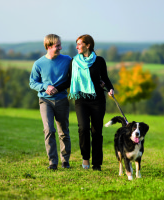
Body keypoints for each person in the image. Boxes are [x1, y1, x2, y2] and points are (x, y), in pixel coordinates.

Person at [63, 34, 114, 171]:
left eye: (79, 44)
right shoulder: (74, 61)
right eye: (77, 44)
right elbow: (69, 81)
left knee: (96, 131)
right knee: (83, 128)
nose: (77, 46)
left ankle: (97, 164)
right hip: (81, 100)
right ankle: (85, 158)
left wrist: (110, 89)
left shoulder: (99, 61)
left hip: (98, 100)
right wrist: (55, 88)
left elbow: (105, 78)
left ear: (88, 45)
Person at [29, 34, 72, 170]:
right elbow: (32, 82)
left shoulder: (67, 60)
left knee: (63, 131)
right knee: (48, 130)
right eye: (57, 46)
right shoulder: (39, 63)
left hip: (62, 100)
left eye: (60, 45)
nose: (60, 48)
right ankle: (52, 162)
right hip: (45, 101)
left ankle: (65, 161)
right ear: (48, 46)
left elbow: (76, 75)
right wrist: (44, 87)